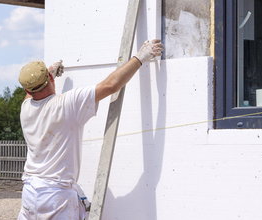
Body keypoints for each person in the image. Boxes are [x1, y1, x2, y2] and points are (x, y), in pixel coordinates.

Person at [17, 39, 163, 220]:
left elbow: (30, 92)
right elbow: (110, 86)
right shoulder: (66, 104)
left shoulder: (25, 109)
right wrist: (140, 57)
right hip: (56, 196)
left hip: (30, 192)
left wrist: (49, 74)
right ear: (50, 79)